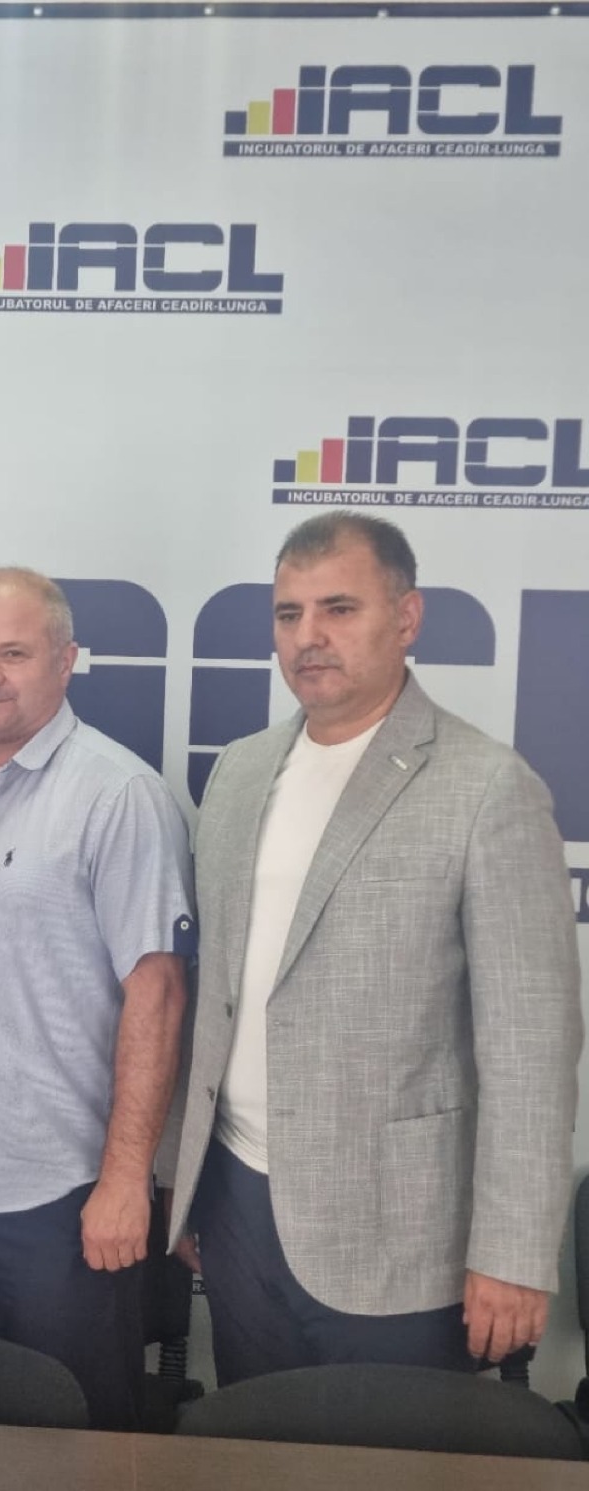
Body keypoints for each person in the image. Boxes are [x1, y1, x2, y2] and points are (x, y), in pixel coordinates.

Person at [168, 510, 582, 1385]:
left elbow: (531, 1047)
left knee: (388, 1452)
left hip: (400, 1235)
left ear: (407, 617)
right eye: (289, 613)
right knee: (253, 1441)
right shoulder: (240, 771)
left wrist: (512, 1253)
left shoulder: (487, 787)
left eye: (339, 608)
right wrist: (191, 1185)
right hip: (240, 1204)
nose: (308, 636)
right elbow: (219, 998)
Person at [0, 567, 193, 1431]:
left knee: (77, 1445)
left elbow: (159, 994)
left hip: (64, 1205)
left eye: (13, 654)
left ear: (65, 661)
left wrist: (127, 1181)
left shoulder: (117, 794)